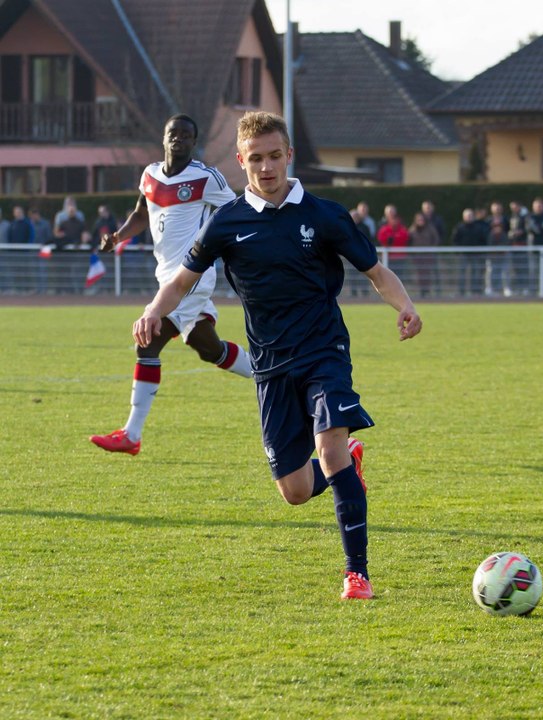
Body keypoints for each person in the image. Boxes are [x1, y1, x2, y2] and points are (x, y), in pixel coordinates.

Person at [132, 110, 422, 600]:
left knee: (327, 450)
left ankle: (357, 574)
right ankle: (349, 462)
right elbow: (181, 280)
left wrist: (406, 306)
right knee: (294, 490)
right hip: (269, 365)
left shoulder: (324, 215)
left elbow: (375, 271)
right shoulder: (227, 223)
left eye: (274, 156)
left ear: (289, 155)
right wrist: (154, 310)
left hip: (324, 351)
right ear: (242, 161)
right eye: (256, 159)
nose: (266, 167)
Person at [90, 114, 253, 455]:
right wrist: (119, 237)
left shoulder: (206, 177)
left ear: (194, 142)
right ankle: (270, 371)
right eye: (172, 133)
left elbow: (240, 212)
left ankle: (131, 435)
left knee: (147, 341)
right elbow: (140, 213)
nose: (178, 139)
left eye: (185, 135)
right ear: (163, 139)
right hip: (166, 277)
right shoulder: (149, 175)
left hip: (191, 277)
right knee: (207, 347)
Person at [452, 208, 488, 296]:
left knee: (476, 274)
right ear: (464, 217)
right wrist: (458, 251)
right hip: (463, 255)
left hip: (476, 255)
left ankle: (475, 292)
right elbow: (455, 240)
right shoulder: (459, 227)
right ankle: (461, 292)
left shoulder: (479, 227)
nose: (469, 217)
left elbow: (483, 240)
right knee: (462, 274)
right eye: (467, 216)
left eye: (470, 216)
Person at [408, 211, 440, 298]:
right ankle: (421, 291)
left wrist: (431, 250)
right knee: (419, 274)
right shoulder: (412, 230)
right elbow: (409, 241)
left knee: (427, 274)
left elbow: (436, 239)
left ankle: (427, 291)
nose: (420, 221)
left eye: (422, 219)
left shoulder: (430, 229)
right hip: (417, 257)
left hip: (428, 256)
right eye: (418, 219)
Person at [376, 205, 410, 282]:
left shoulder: (402, 229)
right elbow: (381, 239)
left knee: (399, 277)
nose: (394, 221)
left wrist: (393, 239)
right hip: (388, 257)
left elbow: (404, 238)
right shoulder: (384, 228)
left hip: (400, 257)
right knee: (388, 277)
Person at [486, 201, 510, 296]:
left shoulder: (506, 220)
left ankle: (506, 288)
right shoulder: (488, 220)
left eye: (499, 208)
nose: (497, 210)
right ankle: (490, 288)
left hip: (503, 250)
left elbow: (509, 232)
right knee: (491, 271)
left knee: (505, 270)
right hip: (491, 250)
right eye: (495, 208)